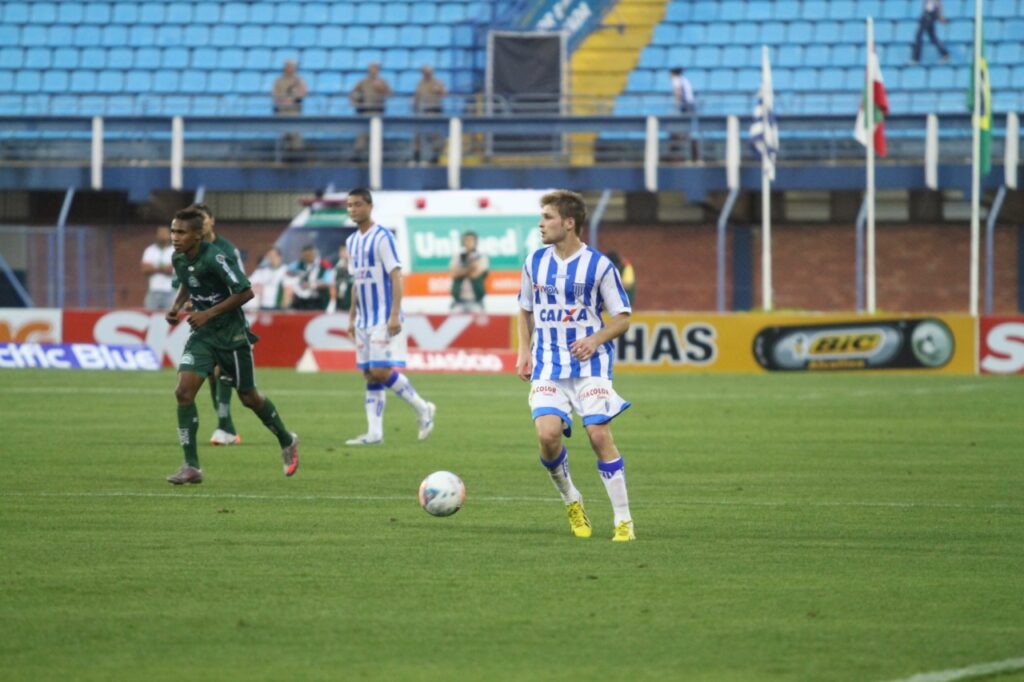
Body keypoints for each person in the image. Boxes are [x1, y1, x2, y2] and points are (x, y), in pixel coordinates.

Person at [515, 190, 636, 542]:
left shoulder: (599, 266)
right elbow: (525, 309)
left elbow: (622, 317)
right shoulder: (534, 262)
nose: (541, 224)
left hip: (590, 366)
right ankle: (572, 499)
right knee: (547, 436)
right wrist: (524, 351)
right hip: (548, 364)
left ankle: (623, 520)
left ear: (569, 223)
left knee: (598, 434)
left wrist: (595, 340)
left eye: (548, 218)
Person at [164, 208, 299, 485]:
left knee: (249, 398)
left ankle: (287, 439)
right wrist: (176, 306)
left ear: (198, 235)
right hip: (203, 336)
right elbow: (187, 283)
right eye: (173, 231)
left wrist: (208, 313)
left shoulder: (215, 257)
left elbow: (245, 291)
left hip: (232, 337)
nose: (175, 237)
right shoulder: (178, 258)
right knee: (183, 392)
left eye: (181, 232)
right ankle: (191, 466)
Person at [343, 188, 435, 445]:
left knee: (380, 371)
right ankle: (374, 433)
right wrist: (351, 317)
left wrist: (395, 313)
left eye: (357, 204)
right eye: (349, 205)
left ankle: (422, 408)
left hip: (383, 316)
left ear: (369, 206)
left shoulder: (382, 237)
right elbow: (356, 282)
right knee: (369, 374)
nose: (353, 209)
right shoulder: (352, 242)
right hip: (363, 319)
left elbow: (396, 275)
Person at [190, 203, 245, 446]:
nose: (200, 224)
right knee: (211, 374)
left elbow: (241, 285)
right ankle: (226, 427)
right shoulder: (190, 250)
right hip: (203, 320)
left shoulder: (227, 250)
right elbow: (185, 282)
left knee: (222, 372)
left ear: (212, 220)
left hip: (227, 319)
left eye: (203, 219)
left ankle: (224, 427)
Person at [350, 63, 392, 160]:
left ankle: (377, 157)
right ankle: (358, 156)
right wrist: (354, 101)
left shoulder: (382, 82)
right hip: (365, 111)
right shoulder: (362, 82)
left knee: (376, 135)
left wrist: (381, 88)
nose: (374, 71)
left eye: (376, 69)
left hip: (378, 111)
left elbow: (389, 94)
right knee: (362, 134)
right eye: (372, 69)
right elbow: (353, 93)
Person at [412, 65, 447, 165]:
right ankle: (416, 156)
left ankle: (435, 157)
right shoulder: (420, 84)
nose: (427, 73)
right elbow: (416, 97)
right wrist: (414, 106)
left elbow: (445, 93)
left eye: (429, 72)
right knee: (418, 133)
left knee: (435, 134)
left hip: (435, 110)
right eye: (425, 72)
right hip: (423, 111)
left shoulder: (437, 82)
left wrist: (439, 90)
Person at [271, 59, 309, 152]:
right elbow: (275, 95)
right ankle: (284, 153)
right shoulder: (278, 81)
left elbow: (303, 92)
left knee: (295, 132)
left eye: (292, 67)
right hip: (282, 110)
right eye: (289, 67)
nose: (291, 69)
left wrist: (293, 99)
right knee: (284, 133)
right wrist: (283, 101)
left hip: (294, 111)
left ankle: (297, 153)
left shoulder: (299, 80)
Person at [449, 231, 489, 312]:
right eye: (466, 240)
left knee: (479, 318)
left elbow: (475, 275)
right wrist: (470, 268)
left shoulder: (482, 257)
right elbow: (453, 274)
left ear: (476, 242)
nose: (469, 242)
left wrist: (461, 271)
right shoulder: (457, 256)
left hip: (476, 300)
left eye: (471, 240)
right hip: (458, 300)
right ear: (463, 242)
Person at [288, 244, 333, 311]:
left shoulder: (324, 265)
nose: (307, 257)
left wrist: (311, 285)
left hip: (316, 300)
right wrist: (296, 275)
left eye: (309, 255)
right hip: (300, 299)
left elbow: (328, 283)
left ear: (314, 254)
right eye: (305, 256)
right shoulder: (299, 264)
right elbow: (287, 272)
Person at [141, 225, 175, 310]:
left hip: (171, 291)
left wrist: (155, 267)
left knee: (172, 316)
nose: (162, 235)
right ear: (156, 235)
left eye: (164, 233)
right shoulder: (150, 250)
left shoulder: (175, 251)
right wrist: (164, 268)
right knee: (150, 315)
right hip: (153, 291)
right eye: (160, 233)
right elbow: (145, 270)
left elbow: (173, 270)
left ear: (169, 235)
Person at [669, 67, 699, 161]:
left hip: (685, 106)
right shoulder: (685, 79)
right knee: (687, 130)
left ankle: (678, 153)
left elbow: (678, 93)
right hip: (690, 106)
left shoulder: (676, 79)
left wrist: (677, 105)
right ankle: (691, 154)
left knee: (681, 129)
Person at [246, 246, 288, 311]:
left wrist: (284, 308)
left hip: (277, 307)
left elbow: (287, 291)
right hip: (262, 306)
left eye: (273, 256)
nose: (271, 258)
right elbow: (249, 283)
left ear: (280, 257)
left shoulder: (285, 271)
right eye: (269, 256)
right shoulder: (262, 271)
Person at [327, 243, 352, 314]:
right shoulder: (336, 268)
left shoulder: (357, 267)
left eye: (346, 250)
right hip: (340, 301)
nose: (344, 253)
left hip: (353, 302)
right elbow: (331, 284)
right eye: (342, 251)